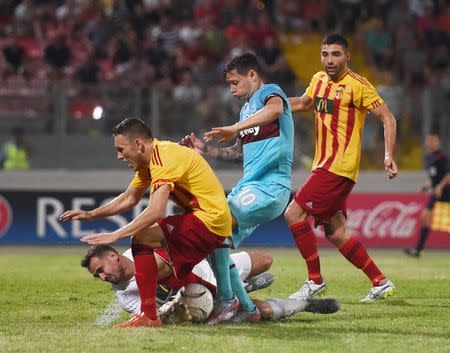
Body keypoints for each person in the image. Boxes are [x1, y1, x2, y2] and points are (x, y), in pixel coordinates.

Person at [60, 118, 233, 328]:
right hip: (205, 220)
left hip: (209, 221)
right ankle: (228, 299)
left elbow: (155, 211)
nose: (119, 155)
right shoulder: (149, 163)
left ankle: (149, 315)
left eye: (121, 149)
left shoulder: (164, 157)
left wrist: (116, 234)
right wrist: (90, 214)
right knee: (156, 258)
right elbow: (129, 198)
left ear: (139, 145)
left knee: (142, 238)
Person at [181, 52, 294, 323]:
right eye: (229, 84)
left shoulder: (270, 92)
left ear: (252, 75)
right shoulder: (245, 111)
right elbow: (240, 154)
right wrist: (205, 150)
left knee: (217, 223)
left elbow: (276, 109)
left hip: (271, 186)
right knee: (214, 240)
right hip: (250, 185)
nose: (231, 90)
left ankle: (228, 300)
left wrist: (234, 127)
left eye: (235, 82)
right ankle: (247, 308)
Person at [284, 34, 398, 303]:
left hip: (338, 168)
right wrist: (270, 102)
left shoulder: (358, 85)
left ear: (348, 56)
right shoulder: (318, 80)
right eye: (325, 54)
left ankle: (314, 281)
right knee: (335, 232)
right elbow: (302, 103)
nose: (329, 60)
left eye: (336, 54)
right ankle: (380, 281)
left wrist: (388, 155)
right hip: (323, 165)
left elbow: (388, 118)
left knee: (293, 213)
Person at [82, 245, 340, 324]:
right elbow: (152, 317)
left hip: (207, 268)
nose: (103, 278)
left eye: (101, 270)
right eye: (98, 276)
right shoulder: (124, 294)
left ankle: (242, 285)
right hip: (195, 298)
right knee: (256, 315)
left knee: (266, 260)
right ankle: (304, 304)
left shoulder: (143, 249)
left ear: (114, 256)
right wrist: (172, 310)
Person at [405, 131, 450, 257]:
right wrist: (427, 184)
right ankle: (418, 250)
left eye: (434, 140)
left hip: (446, 191)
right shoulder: (428, 158)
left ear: (438, 142)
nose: (431, 142)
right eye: (429, 140)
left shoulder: (442, 157)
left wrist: (440, 187)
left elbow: (448, 174)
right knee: (425, 217)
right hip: (436, 192)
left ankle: (418, 250)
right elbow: (434, 176)